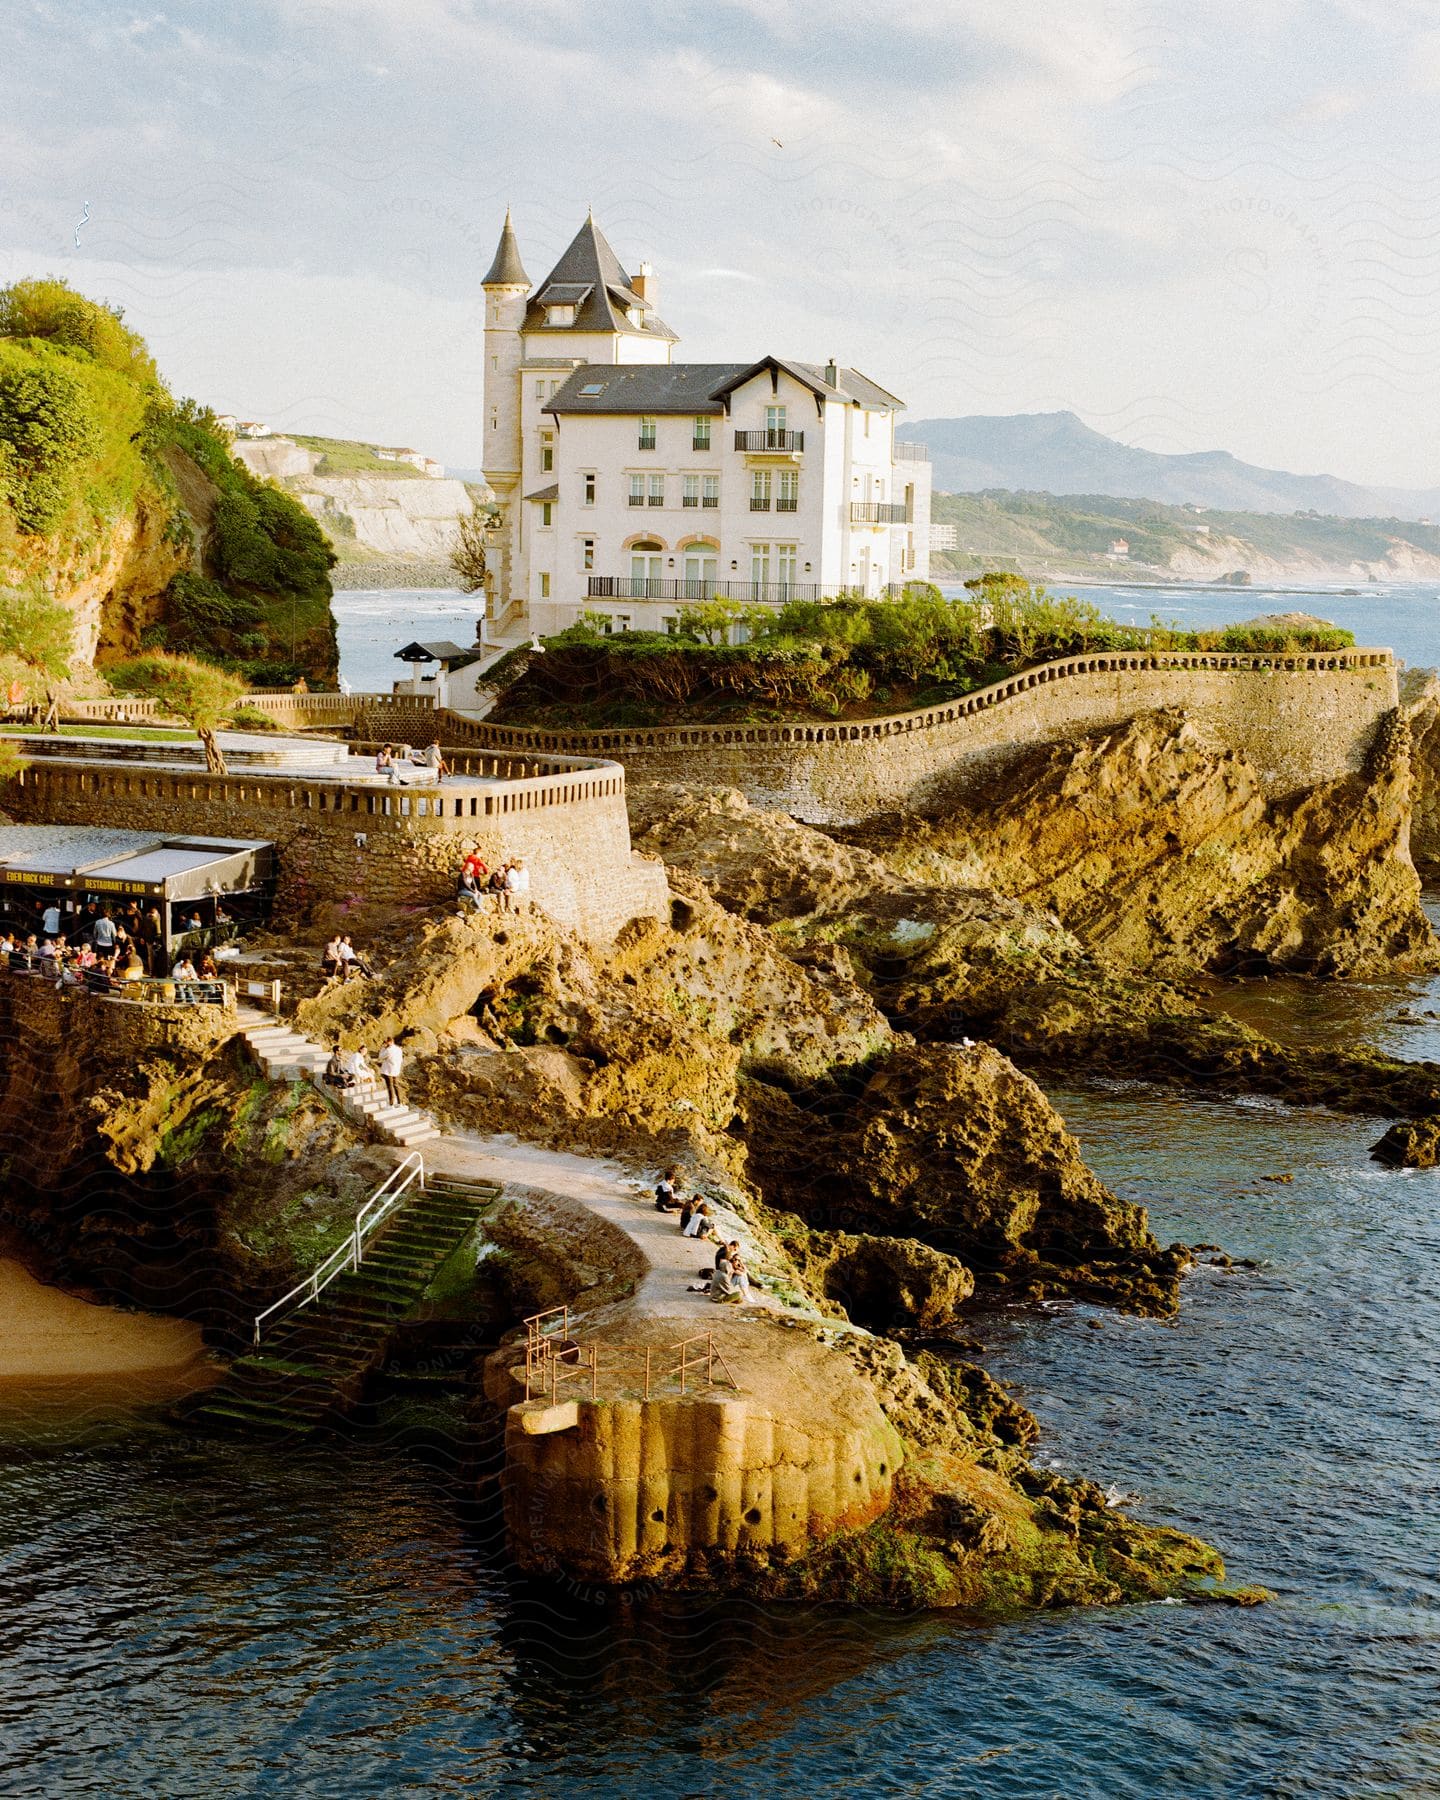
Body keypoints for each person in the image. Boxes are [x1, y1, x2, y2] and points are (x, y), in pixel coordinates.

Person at [378, 1036, 403, 1107]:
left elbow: (380, 1057)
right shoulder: (399, 1049)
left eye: (386, 1042)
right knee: (396, 1086)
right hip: (396, 1070)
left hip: (389, 1071)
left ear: (389, 1042)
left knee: (390, 1087)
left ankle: (391, 1104)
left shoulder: (388, 1050)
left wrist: (382, 1048)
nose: (385, 1044)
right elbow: (401, 1060)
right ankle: (399, 1102)